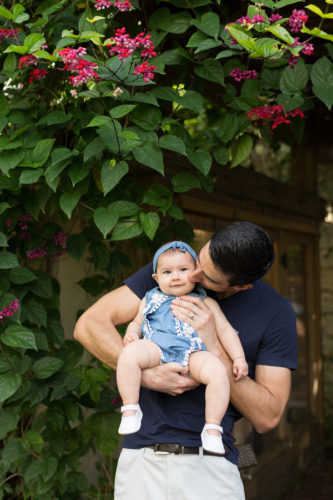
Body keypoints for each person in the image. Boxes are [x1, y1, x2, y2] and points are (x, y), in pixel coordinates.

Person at [74, 221, 298, 500]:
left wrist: (214, 344)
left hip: (212, 467)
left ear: (241, 286)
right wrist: (147, 375)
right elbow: (90, 325)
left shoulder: (275, 313)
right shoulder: (172, 270)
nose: (192, 274)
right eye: (199, 259)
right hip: (143, 459)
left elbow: (268, 415)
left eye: (209, 278)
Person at [117, 241, 248, 455]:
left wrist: (239, 358)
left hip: (193, 352)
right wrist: (132, 333)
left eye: (183, 270)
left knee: (218, 372)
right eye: (167, 272)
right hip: (156, 348)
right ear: (156, 279)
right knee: (129, 355)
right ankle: (130, 408)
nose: (175, 276)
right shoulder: (150, 299)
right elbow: (137, 321)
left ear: (195, 273)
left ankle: (213, 428)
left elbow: (226, 332)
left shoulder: (206, 302)